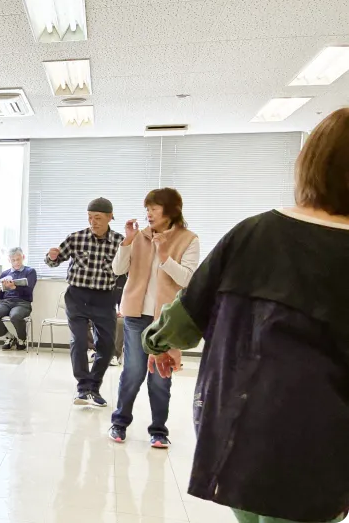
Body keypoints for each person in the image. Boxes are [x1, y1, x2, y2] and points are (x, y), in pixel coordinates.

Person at [143, 107, 349, 523]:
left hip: (237, 432)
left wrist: (157, 342)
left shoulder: (254, 232)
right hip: (318, 450)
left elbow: (187, 315)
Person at [108, 188, 198, 449]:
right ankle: (119, 422)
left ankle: (158, 430)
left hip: (167, 319)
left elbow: (188, 279)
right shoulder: (139, 236)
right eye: (147, 209)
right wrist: (127, 241)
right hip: (136, 314)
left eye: (154, 208)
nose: (149, 213)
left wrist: (165, 257)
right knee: (133, 371)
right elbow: (117, 269)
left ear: (170, 211)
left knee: (160, 376)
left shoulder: (188, 239)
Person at [46, 197, 123, 407]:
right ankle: (82, 387)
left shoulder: (120, 242)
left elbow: (126, 272)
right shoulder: (76, 238)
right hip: (77, 297)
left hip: (104, 298)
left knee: (107, 346)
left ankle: (94, 387)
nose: (93, 222)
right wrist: (52, 257)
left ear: (110, 217)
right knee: (79, 341)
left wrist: (122, 303)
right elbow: (54, 261)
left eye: (98, 218)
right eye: (90, 217)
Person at [0, 247, 36, 352]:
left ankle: (22, 339)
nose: (16, 262)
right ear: (9, 260)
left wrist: (14, 287)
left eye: (18, 259)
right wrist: (0, 289)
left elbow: (28, 292)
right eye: (13, 260)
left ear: (23, 257)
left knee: (15, 316)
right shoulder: (5, 274)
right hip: (5, 302)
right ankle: (9, 337)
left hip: (23, 303)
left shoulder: (30, 272)